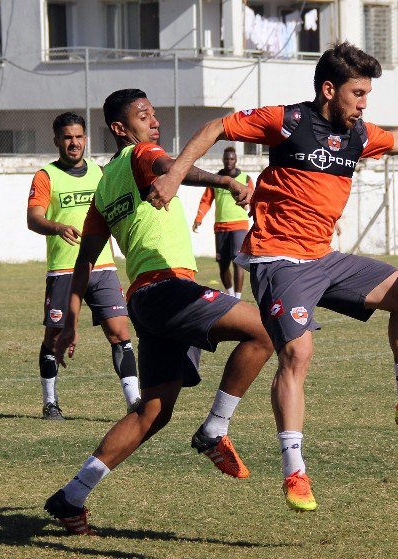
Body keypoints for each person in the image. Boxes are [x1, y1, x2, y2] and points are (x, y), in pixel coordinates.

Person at [146, 42, 398, 512]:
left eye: (367, 93)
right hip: (279, 262)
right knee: (298, 351)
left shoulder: (357, 135)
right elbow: (215, 127)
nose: (364, 102)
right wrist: (174, 177)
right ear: (329, 89)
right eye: (358, 92)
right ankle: (295, 471)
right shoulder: (286, 121)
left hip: (323, 259)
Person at [44, 89, 273, 535]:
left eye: (154, 115)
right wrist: (225, 182)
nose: (155, 122)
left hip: (146, 303)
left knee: (152, 412)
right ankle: (214, 429)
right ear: (120, 128)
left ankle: (71, 497)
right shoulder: (142, 154)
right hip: (168, 291)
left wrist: (70, 319)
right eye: (144, 115)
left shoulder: (104, 187)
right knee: (266, 329)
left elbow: (85, 258)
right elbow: (172, 168)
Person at [27, 112, 140, 419]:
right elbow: (33, 218)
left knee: (120, 335)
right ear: (57, 141)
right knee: (53, 336)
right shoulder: (45, 176)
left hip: (102, 267)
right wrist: (56, 226)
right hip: (64, 270)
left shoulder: (100, 173)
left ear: (85, 139)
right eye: (67, 137)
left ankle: (134, 403)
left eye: (78, 137)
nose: (73, 143)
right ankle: (50, 403)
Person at [192, 146, 254, 299]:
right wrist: (198, 218)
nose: (229, 161)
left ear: (236, 160)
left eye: (231, 159)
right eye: (226, 159)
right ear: (223, 160)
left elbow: (254, 198)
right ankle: (231, 294)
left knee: (237, 260)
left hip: (239, 226)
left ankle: (237, 297)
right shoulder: (216, 179)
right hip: (220, 227)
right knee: (223, 263)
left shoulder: (245, 179)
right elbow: (206, 200)